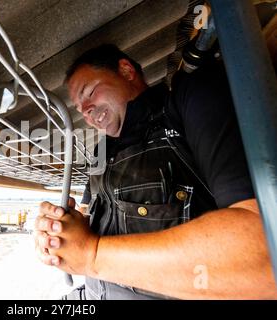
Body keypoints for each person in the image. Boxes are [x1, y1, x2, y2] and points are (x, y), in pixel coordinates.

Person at [33, 44, 277, 299]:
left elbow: (263, 255)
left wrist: (91, 254)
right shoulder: (100, 152)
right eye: (80, 107)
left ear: (126, 71)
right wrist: (60, 231)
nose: (86, 110)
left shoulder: (186, 101)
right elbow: (84, 216)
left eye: (90, 92)